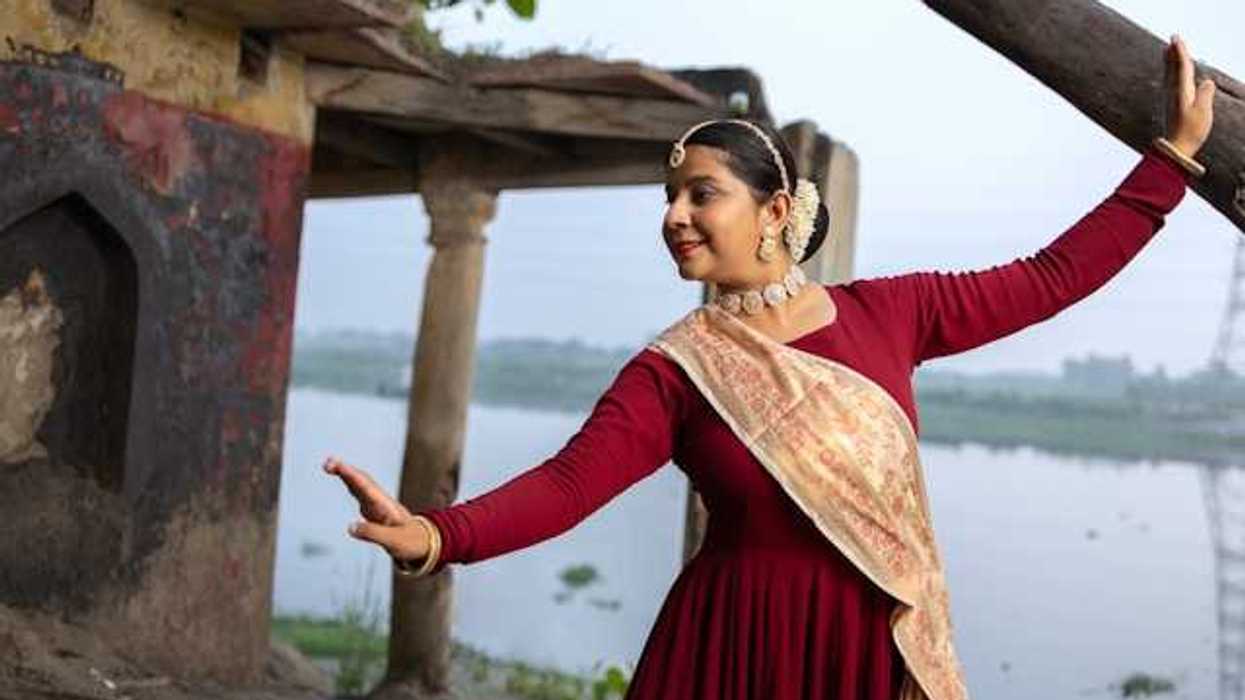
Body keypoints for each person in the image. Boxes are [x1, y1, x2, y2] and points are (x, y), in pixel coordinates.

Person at [324, 35, 1216, 700]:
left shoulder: (889, 313)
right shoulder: (675, 371)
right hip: (729, 651)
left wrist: (1169, 163)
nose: (674, 214)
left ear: (774, 209)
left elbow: (1050, 278)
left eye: (700, 193)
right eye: (668, 197)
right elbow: (567, 485)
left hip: (863, 653)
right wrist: (437, 536)